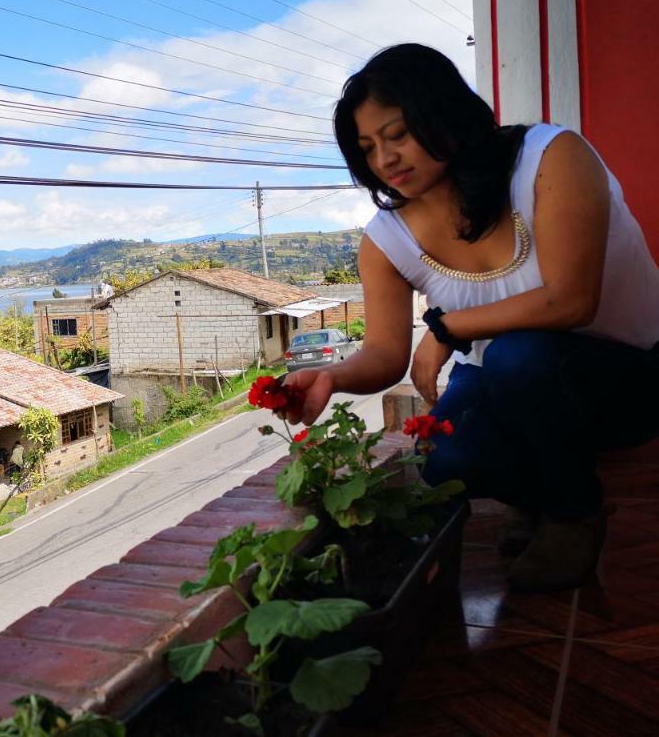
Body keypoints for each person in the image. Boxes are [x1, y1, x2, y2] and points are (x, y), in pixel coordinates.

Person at [282, 43, 659, 593]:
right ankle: (537, 492)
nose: (385, 159)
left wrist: (446, 329)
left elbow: (572, 300)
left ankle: (573, 514)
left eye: (397, 134)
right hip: (513, 388)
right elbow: (387, 353)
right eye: (367, 148)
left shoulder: (549, 157)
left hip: (629, 379)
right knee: (444, 458)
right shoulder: (387, 240)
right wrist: (332, 377)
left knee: (516, 355)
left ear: (444, 113)